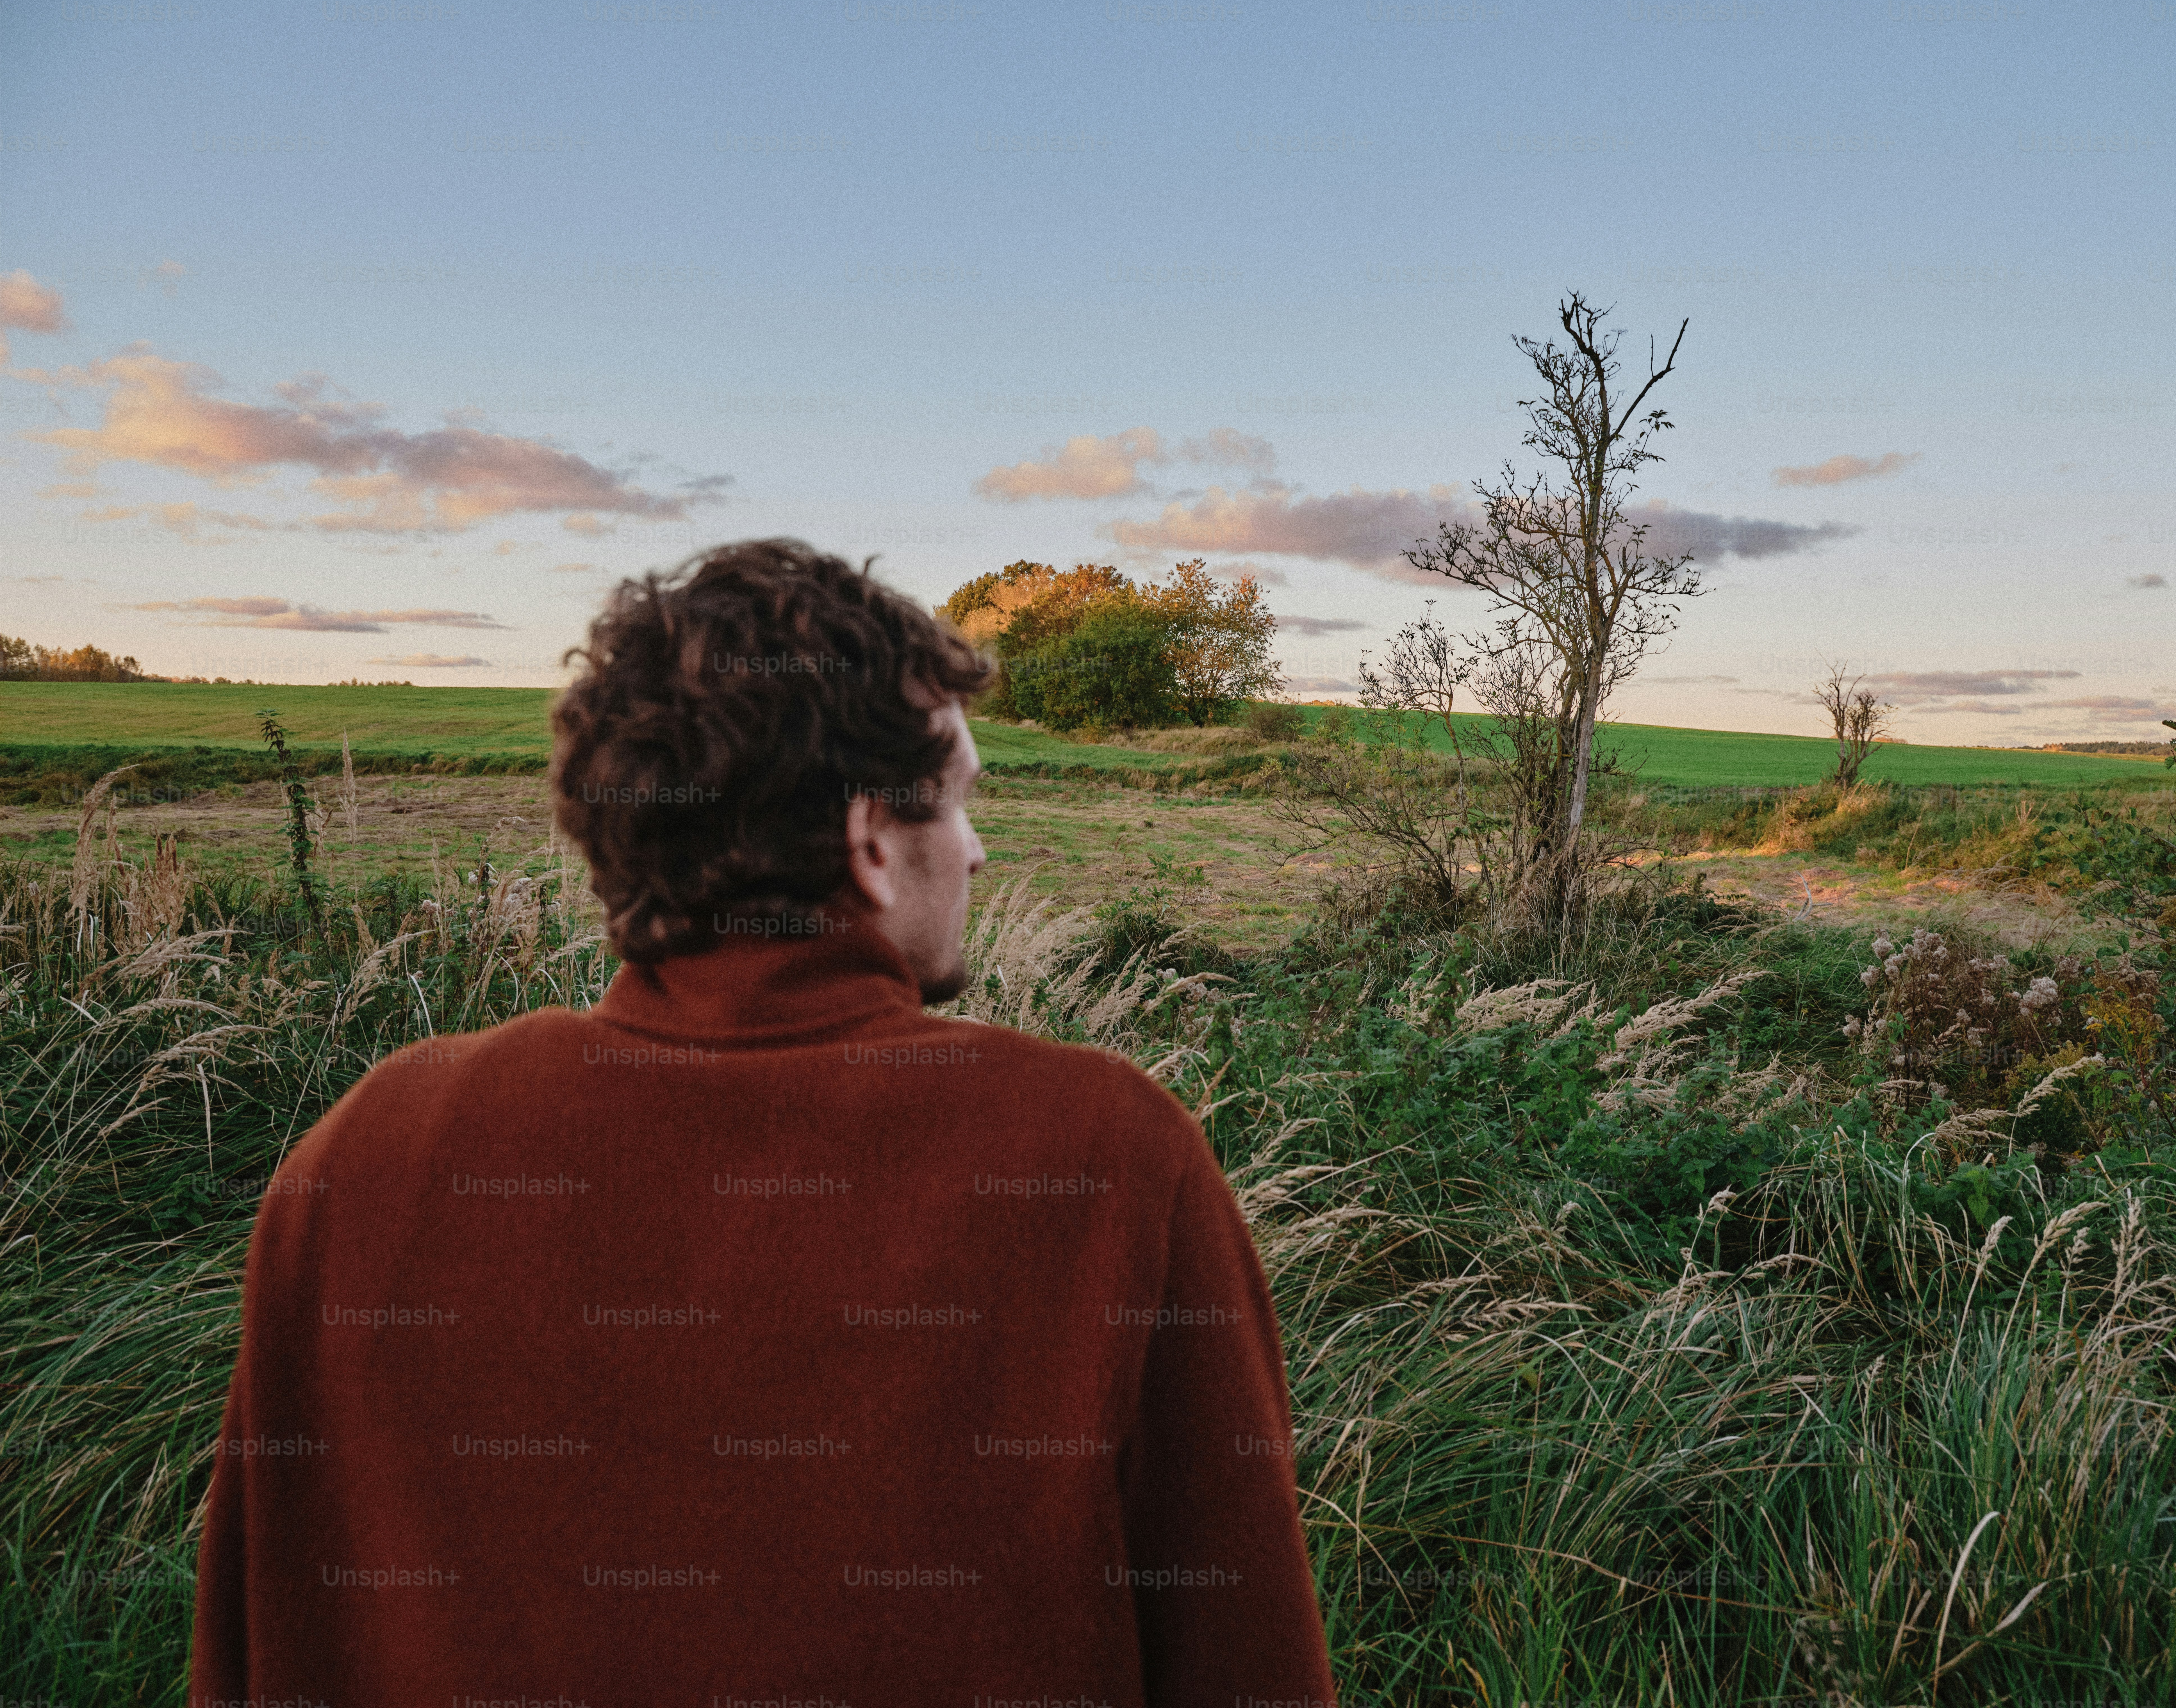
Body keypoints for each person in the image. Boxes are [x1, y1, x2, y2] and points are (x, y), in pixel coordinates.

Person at [191, 538, 1335, 1706]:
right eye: (958, 801)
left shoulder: (369, 1151)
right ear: (870, 839)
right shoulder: (1107, 1156)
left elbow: (253, 1643)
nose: (978, 849)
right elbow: (1248, 1665)